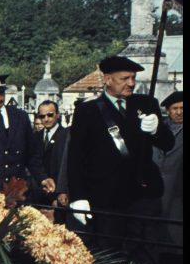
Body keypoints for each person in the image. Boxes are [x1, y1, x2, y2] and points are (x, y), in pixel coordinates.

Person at [65, 56, 173, 252]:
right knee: (109, 253)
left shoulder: (147, 104)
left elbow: (167, 143)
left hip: (142, 194)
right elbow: (75, 157)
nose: (131, 83)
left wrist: (157, 129)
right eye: (124, 78)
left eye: (133, 78)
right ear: (107, 79)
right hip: (106, 197)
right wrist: (78, 197)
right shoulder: (87, 110)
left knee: (146, 254)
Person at [151, 90, 182, 264]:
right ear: (168, 111)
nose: (179, 112)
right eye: (175, 108)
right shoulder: (158, 129)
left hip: (178, 187)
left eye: (183, 108)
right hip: (156, 186)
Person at [32, 100, 69, 218]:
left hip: (58, 194)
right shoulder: (35, 137)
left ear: (58, 115)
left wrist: (59, 193)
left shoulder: (66, 135)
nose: (46, 119)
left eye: (50, 115)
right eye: (42, 116)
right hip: (37, 194)